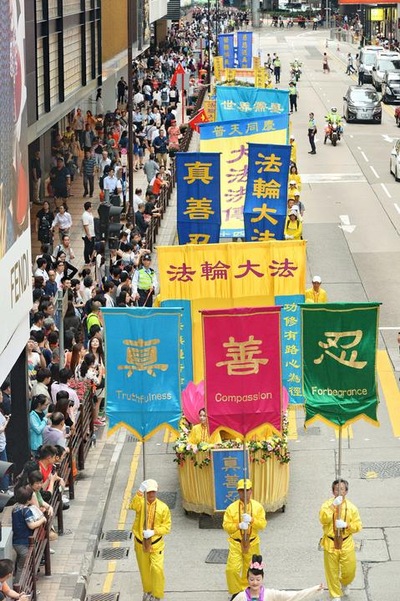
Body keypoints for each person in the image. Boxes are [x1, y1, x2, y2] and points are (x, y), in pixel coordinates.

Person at [223, 479, 267, 599]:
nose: (245, 493)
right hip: (236, 543)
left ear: (251, 491)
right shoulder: (231, 508)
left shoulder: (257, 507)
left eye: (247, 490)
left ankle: (250, 591)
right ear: (238, 492)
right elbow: (226, 526)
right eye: (242, 490)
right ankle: (236, 592)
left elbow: (262, 525)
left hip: (252, 543)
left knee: (252, 569)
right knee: (232, 569)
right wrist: (238, 525)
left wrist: (252, 520)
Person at [129, 479, 171, 601]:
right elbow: (132, 506)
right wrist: (139, 492)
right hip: (140, 543)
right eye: (149, 492)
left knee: (157, 569)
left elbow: (167, 527)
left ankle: (157, 595)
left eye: (153, 492)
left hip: (156, 545)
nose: (151, 495)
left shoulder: (163, 508)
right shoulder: (141, 504)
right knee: (144, 570)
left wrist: (154, 532)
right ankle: (147, 591)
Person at [319, 479, 362, 600]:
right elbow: (323, 519)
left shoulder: (352, 508)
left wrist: (346, 525)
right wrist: (333, 506)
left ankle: (345, 583)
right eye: (336, 489)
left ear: (346, 491)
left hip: (346, 542)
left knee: (350, 569)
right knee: (331, 571)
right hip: (330, 542)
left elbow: (358, 526)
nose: (339, 491)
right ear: (333, 491)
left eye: (342, 489)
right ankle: (335, 594)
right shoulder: (326, 505)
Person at [234, 555, 324, 601]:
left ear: (262, 578)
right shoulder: (241, 597)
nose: (255, 583)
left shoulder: (269, 594)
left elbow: (294, 595)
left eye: (258, 579)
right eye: (252, 579)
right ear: (247, 579)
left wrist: (314, 589)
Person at [12, 486, 47, 583]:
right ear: (28, 499)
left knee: (20, 564)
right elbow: (31, 525)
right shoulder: (26, 510)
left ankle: (21, 585)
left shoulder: (15, 508)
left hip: (16, 541)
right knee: (22, 567)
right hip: (23, 542)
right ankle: (18, 587)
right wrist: (42, 520)